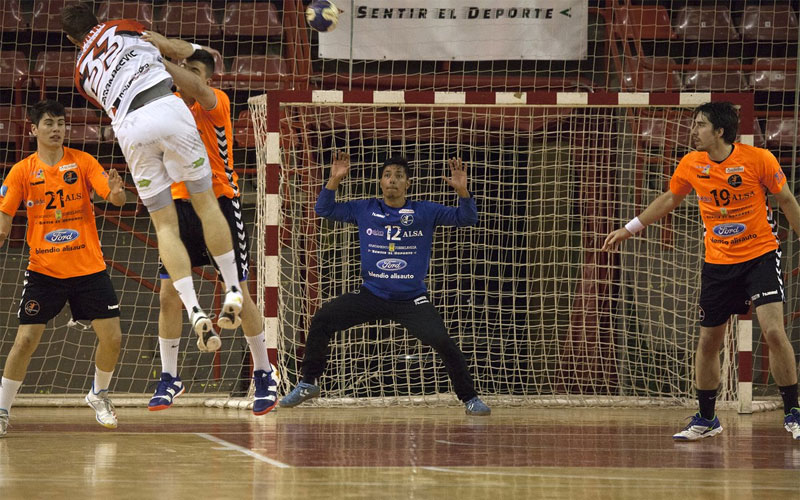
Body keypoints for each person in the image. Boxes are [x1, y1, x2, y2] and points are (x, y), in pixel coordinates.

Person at [602, 101, 800, 441]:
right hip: (718, 263)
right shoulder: (692, 164)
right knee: (709, 341)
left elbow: (786, 201)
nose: (693, 131)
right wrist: (629, 228)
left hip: (760, 256)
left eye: (700, 125)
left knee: (772, 332)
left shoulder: (758, 160)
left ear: (719, 131)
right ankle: (707, 418)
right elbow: (669, 198)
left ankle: (794, 412)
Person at [60, 4, 243, 353]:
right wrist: (181, 48)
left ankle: (193, 309)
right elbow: (173, 48)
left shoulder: (80, 74)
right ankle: (232, 288)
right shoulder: (123, 25)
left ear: (71, 39)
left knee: (164, 227)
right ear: (97, 21)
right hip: (166, 106)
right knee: (205, 205)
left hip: (130, 128)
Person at [279, 153, 491, 416]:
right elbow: (324, 210)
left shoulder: (424, 211)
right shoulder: (365, 208)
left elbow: (467, 219)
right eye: (388, 175)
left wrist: (463, 192)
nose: (393, 180)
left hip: (411, 299)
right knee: (322, 318)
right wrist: (334, 180)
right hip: (372, 294)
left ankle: (470, 398)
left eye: (399, 176)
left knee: (444, 343)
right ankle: (308, 382)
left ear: (408, 184)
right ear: (380, 181)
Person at [139, 32, 277, 415]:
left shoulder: (215, 104)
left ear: (207, 79)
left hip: (219, 202)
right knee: (167, 296)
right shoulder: (164, 111)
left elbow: (194, 85)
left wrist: (158, 57)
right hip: (179, 208)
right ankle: (170, 377)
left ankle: (265, 372)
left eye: (193, 71)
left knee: (239, 293)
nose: (185, 77)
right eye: (183, 70)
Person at [0, 100, 127, 437]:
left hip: (88, 268)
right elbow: (4, 217)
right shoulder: (22, 171)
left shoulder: (82, 161)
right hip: (45, 270)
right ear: (33, 129)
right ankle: (1, 410)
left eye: (61, 122)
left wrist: (116, 193)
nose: (56, 129)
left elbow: (113, 196)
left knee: (112, 337)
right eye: (48, 123)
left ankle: (98, 394)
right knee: (25, 340)